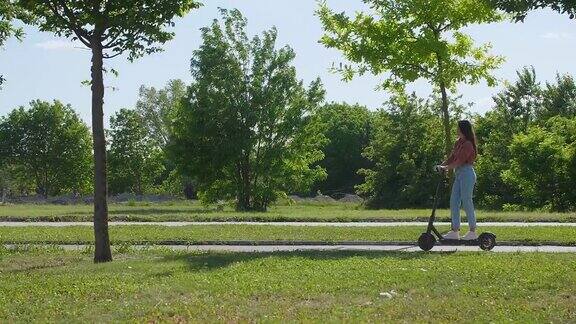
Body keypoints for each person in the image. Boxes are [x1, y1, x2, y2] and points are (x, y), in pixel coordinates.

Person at [436, 120, 478, 240]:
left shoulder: (468, 144)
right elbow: (452, 157)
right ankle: (455, 231)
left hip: (467, 174)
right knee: (454, 201)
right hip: (459, 174)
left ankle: (472, 231)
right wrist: (442, 165)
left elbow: (460, 161)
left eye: (458, 128)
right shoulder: (458, 142)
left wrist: (446, 168)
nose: (456, 130)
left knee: (466, 201)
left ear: (463, 129)